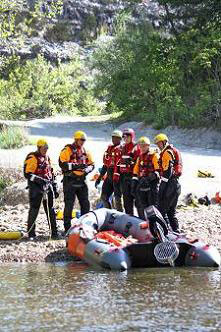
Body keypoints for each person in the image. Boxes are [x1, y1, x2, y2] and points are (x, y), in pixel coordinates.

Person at [59, 131, 94, 233]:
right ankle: (67, 228)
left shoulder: (85, 151)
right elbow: (62, 164)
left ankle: (84, 227)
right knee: (69, 205)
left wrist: (87, 170)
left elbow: (92, 164)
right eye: (81, 140)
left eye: (84, 140)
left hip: (82, 181)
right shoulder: (67, 150)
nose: (83, 142)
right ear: (76, 139)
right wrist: (77, 166)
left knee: (85, 204)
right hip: (70, 181)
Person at [24, 139, 59, 240]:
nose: (46, 150)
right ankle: (31, 234)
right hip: (36, 188)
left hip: (48, 187)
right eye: (44, 148)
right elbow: (27, 174)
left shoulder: (47, 158)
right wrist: (40, 180)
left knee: (51, 210)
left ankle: (54, 233)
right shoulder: (32, 158)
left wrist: (55, 187)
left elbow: (51, 173)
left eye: (47, 148)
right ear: (39, 148)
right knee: (34, 210)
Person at [154, 133, 183, 232]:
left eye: (159, 144)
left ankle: (165, 232)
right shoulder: (170, 151)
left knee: (162, 210)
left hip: (171, 185)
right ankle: (176, 231)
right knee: (171, 212)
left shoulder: (167, 153)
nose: (158, 146)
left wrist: (162, 187)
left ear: (164, 142)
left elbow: (168, 172)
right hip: (176, 186)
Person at [131, 136, 160, 219]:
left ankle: (154, 223)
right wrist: (134, 182)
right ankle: (143, 221)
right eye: (141, 146)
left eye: (144, 146)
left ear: (148, 146)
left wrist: (149, 178)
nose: (142, 148)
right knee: (140, 204)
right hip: (142, 184)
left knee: (152, 205)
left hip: (152, 185)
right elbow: (136, 171)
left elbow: (159, 170)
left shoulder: (154, 156)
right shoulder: (140, 157)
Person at [113, 128, 140, 215]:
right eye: (124, 136)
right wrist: (116, 174)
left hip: (134, 177)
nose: (125, 138)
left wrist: (132, 162)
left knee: (138, 201)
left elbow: (141, 162)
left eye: (128, 136)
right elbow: (118, 161)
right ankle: (130, 220)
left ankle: (142, 220)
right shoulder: (122, 148)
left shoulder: (137, 148)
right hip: (124, 177)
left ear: (132, 136)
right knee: (127, 201)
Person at [95, 130, 123, 211]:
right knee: (104, 197)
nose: (114, 139)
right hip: (109, 176)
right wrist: (99, 177)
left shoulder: (122, 150)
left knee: (117, 198)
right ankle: (110, 213)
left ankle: (121, 216)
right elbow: (105, 165)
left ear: (120, 139)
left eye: (116, 138)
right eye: (113, 137)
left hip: (118, 178)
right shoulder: (110, 149)